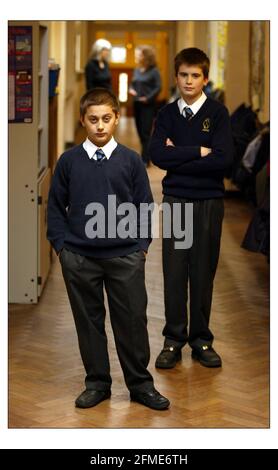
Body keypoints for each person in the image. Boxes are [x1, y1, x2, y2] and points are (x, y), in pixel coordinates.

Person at [47, 87, 170, 411]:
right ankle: (97, 383)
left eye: (105, 119)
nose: (99, 126)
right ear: (83, 121)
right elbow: (56, 207)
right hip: (80, 257)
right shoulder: (69, 161)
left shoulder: (130, 160)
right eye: (93, 120)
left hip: (125, 257)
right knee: (88, 323)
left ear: (116, 118)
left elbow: (145, 205)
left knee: (131, 322)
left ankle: (140, 386)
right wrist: (61, 247)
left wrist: (140, 248)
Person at [149, 48, 233, 369]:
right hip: (176, 203)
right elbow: (158, 156)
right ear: (176, 76)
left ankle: (201, 340)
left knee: (202, 272)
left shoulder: (219, 114)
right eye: (183, 75)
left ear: (205, 78)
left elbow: (224, 160)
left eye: (195, 75)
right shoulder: (167, 115)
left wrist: (179, 156)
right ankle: (173, 340)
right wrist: (200, 150)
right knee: (174, 270)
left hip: (209, 202)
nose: (188, 81)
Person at [129, 45, 161, 166]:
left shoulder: (154, 71)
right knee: (139, 131)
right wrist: (131, 89)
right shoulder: (137, 70)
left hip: (148, 106)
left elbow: (158, 87)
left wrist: (147, 98)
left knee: (146, 132)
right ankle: (145, 155)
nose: (136, 57)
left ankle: (145, 159)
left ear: (146, 57)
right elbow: (132, 84)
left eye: (139, 54)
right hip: (136, 104)